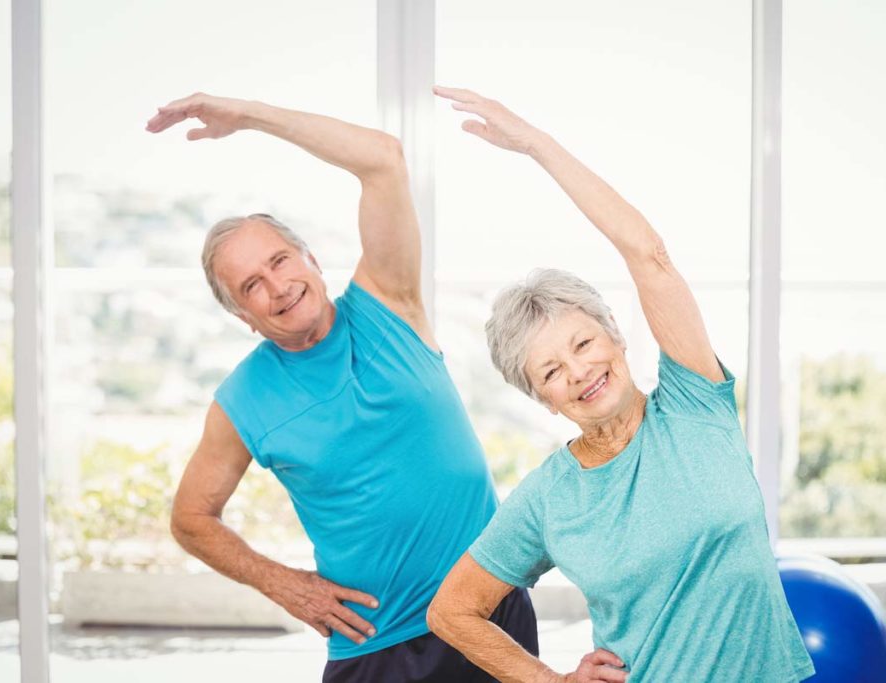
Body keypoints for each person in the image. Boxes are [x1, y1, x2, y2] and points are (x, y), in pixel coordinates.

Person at [145, 93, 540, 682]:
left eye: (280, 261)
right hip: (378, 645)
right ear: (240, 316)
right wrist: (286, 585)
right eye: (251, 286)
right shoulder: (243, 401)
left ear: (310, 257)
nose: (277, 287)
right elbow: (191, 518)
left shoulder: (389, 301)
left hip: (489, 610)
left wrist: (251, 117)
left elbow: (382, 159)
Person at [426, 87, 816, 683]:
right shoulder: (549, 499)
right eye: (551, 371)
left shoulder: (694, 403)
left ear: (616, 336)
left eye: (583, 344)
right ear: (543, 400)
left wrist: (536, 146)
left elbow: (649, 254)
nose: (578, 371)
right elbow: (452, 612)